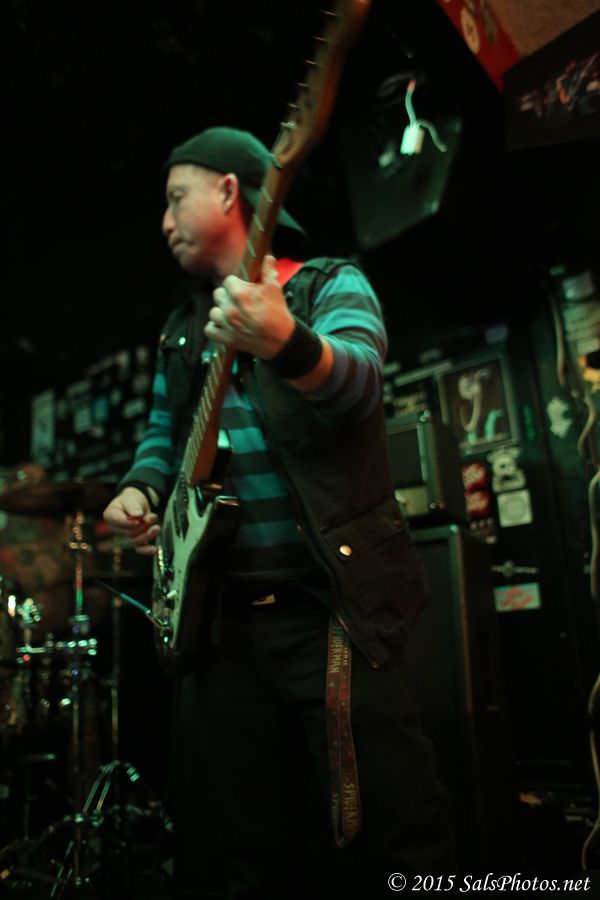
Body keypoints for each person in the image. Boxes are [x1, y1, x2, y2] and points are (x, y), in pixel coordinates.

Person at [103, 127, 454, 899]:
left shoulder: (329, 284)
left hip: (330, 612)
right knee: (245, 852)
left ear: (229, 191)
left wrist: (285, 341)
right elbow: (162, 437)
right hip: (221, 629)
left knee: (393, 834)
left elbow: (359, 385)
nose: (164, 221)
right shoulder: (180, 331)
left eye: (175, 198)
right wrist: (140, 489)